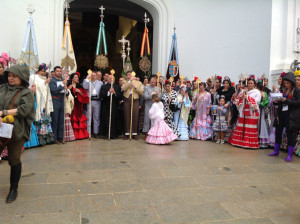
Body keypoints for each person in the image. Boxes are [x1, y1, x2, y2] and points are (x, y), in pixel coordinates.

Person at [0, 64, 35, 203]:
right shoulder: (2, 88)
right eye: (9, 75)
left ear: (22, 77)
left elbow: (24, 110)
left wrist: (3, 113)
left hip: (17, 131)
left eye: (14, 76)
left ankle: (13, 189)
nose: (11, 78)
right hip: (1, 129)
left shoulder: (26, 93)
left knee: (13, 159)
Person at [269, 72, 300, 162]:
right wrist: (277, 101)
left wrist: (286, 100)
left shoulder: (297, 91)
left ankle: (289, 154)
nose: (286, 85)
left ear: (292, 82)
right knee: (278, 132)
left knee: (290, 134)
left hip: (291, 116)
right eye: (285, 83)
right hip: (281, 114)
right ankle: (276, 150)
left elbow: (297, 102)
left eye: (288, 83)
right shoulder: (283, 90)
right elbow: (281, 102)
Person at [230, 76, 261, 149]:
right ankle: (241, 142)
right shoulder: (244, 91)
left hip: (252, 112)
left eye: (251, 83)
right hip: (243, 112)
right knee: (242, 127)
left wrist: (247, 97)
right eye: (249, 83)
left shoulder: (257, 92)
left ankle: (251, 144)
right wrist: (241, 97)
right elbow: (237, 100)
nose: (250, 84)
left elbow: (257, 101)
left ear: (254, 84)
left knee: (250, 128)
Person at [28, 64, 55, 145]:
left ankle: (46, 138)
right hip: (38, 101)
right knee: (39, 119)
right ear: (37, 71)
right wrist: (44, 83)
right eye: (41, 71)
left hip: (45, 102)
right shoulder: (34, 77)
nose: (43, 73)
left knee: (45, 119)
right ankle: (38, 139)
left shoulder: (45, 78)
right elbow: (35, 87)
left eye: (44, 71)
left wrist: (45, 83)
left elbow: (47, 90)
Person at [122, 71, 144, 140]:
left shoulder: (139, 83)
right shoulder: (125, 81)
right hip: (127, 99)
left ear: (133, 75)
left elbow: (141, 92)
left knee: (135, 116)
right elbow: (123, 88)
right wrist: (129, 82)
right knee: (127, 116)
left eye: (130, 75)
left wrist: (135, 87)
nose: (129, 76)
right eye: (127, 75)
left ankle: (134, 133)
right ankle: (127, 133)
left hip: (135, 100)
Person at [49, 66, 68, 144]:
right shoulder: (52, 81)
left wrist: (67, 90)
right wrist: (62, 85)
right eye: (57, 71)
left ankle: (60, 137)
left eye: (60, 71)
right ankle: (54, 138)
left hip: (62, 100)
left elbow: (67, 92)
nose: (59, 72)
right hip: (55, 100)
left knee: (61, 120)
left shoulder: (63, 80)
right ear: (54, 72)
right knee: (55, 120)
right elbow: (54, 90)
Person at [100, 74, 122, 139]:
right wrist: (109, 92)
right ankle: (107, 134)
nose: (111, 80)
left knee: (114, 120)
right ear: (107, 79)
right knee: (107, 120)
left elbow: (120, 96)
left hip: (114, 106)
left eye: (112, 79)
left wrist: (115, 93)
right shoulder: (104, 86)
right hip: (106, 106)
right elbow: (101, 95)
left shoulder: (117, 87)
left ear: (114, 80)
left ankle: (114, 135)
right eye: (110, 79)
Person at [68, 73, 89, 139]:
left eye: (77, 77)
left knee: (78, 117)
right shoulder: (69, 86)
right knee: (72, 117)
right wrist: (68, 89)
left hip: (78, 104)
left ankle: (80, 135)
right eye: (75, 77)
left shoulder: (80, 86)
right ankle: (72, 135)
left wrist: (79, 91)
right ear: (72, 79)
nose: (77, 78)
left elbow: (85, 96)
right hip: (71, 104)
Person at [83, 71, 103, 138]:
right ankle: (88, 132)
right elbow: (84, 87)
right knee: (88, 117)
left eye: (94, 75)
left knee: (96, 117)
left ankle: (96, 132)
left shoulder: (100, 83)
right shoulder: (87, 82)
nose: (93, 76)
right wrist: (87, 78)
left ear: (97, 76)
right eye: (92, 75)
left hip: (97, 101)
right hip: (89, 101)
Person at [257, 81, 270, 148]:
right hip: (261, 110)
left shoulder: (262, 93)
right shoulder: (264, 93)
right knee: (261, 124)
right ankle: (261, 142)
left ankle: (261, 141)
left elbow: (266, 102)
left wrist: (260, 104)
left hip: (260, 110)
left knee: (261, 124)